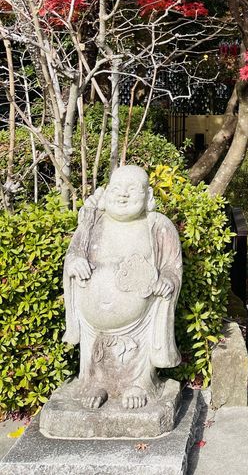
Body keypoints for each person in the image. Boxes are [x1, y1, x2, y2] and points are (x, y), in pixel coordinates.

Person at [63, 165, 182, 410]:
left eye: (132, 190)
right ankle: (94, 382)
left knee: (138, 350)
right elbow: (73, 253)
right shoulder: (92, 222)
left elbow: (172, 265)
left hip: (141, 320)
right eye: (116, 189)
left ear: (148, 197)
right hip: (92, 321)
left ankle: (139, 383)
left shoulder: (157, 225)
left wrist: (167, 280)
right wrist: (74, 263)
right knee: (94, 351)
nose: (123, 195)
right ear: (106, 194)